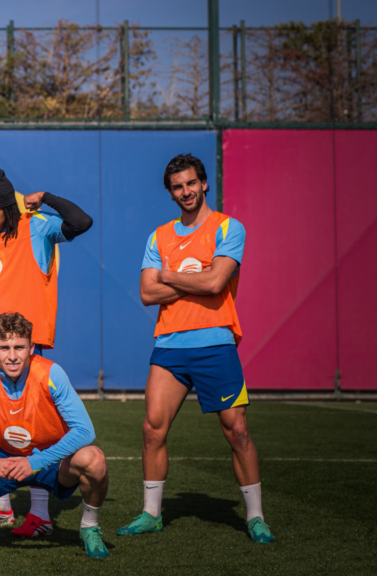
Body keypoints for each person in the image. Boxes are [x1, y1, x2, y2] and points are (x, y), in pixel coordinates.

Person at [118, 153, 274, 544]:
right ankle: (151, 514)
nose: (185, 191)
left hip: (215, 343)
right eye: (177, 186)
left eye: (191, 183)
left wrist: (170, 274)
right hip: (169, 346)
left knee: (237, 431)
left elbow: (215, 283)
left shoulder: (228, 227)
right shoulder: (160, 236)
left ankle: (255, 517)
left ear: (204, 184)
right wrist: (196, 276)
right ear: (170, 193)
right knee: (152, 429)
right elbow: (145, 292)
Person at [0, 167, 93, 536]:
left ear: (8, 206)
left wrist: (47, 199)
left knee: (36, 423)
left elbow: (81, 222)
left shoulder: (37, 226)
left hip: (24, 343)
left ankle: (39, 512)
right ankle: (0, 505)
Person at [0, 313, 109, 559]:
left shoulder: (51, 373)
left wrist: (36, 462)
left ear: (32, 348)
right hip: (1, 461)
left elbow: (85, 430)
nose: (13, 355)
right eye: (4, 348)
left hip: (49, 461)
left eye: (19, 347)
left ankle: (90, 527)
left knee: (95, 459)